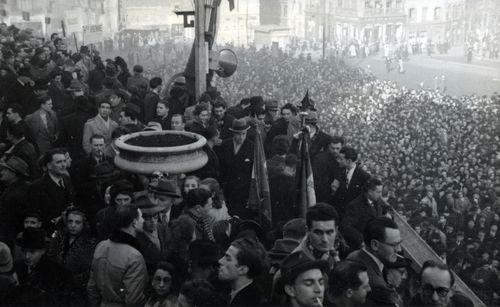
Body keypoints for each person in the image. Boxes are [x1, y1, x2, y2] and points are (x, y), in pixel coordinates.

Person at [87, 205, 149, 306]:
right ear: (134, 222)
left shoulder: (101, 246)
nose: (143, 220)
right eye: (141, 217)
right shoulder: (134, 256)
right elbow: (133, 300)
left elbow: (92, 287)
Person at [346, 217, 402, 306]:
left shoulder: (354, 255)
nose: (399, 249)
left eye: (400, 243)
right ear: (375, 245)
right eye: (394, 245)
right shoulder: (377, 286)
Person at [12, 227, 75, 305]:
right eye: (24, 251)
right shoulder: (17, 266)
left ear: (43, 251)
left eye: (32, 252)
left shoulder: (56, 272)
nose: (27, 256)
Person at [47, 206, 97, 304]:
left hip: (76, 290)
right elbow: (51, 258)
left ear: (84, 224)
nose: (73, 225)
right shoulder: (59, 238)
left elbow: (89, 269)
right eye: (70, 221)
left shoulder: (90, 243)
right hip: (56, 287)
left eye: (77, 222)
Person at [216, 119, 254, 218]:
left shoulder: (251, 147)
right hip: (227, 189)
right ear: (233, 133)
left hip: (242, 191)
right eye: (238, 134)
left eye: (243, 134)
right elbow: (220, 167)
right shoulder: (225, 144)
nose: (241, 137)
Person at [29, 148, 75, 231]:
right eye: (59, 162)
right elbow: (35, 215)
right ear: (49, 166)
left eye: (64, 161)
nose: (63, 165)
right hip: (49, 231)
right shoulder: (37, 186)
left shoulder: (67, 179)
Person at [340, 177, 392, 250]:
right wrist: (362, 240)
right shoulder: (355, 206)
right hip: (362, 246)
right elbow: (346, 227)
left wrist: (388, 213)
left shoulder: (377, 199)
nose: (380, 195)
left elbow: (388, 207)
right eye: (378, 192)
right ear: (370, 192)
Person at [218, 237, 269, 306]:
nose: (220, 261)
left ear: (242, 270)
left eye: (228, 258)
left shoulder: (255, 303)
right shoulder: (225, 292)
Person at [293, 203, 340, 267]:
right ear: (307, 231)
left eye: (329, 232)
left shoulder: (335, 252)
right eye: (318, 233)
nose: (325, 239)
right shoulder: (297, 263)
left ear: (336, 230)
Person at [0, 156, 31, 245]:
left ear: (14, 174)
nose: (2, 172)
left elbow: (7, 219)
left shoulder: (14, 195)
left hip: (9, 237)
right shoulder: (22, 186)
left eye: (5, 170)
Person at [332, 146, 371, 216]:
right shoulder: (339, 171)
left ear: (349, 161)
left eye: (341, 159)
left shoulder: (364, 177)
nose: (338, 161)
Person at [312, 135, 344, 203]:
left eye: (337, 148)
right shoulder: (319, 158)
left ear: (342, 147)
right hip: (324, 196)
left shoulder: (345, 158)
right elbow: (317, 180)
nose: (335, 151)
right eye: (332, 148)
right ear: (329, 146)